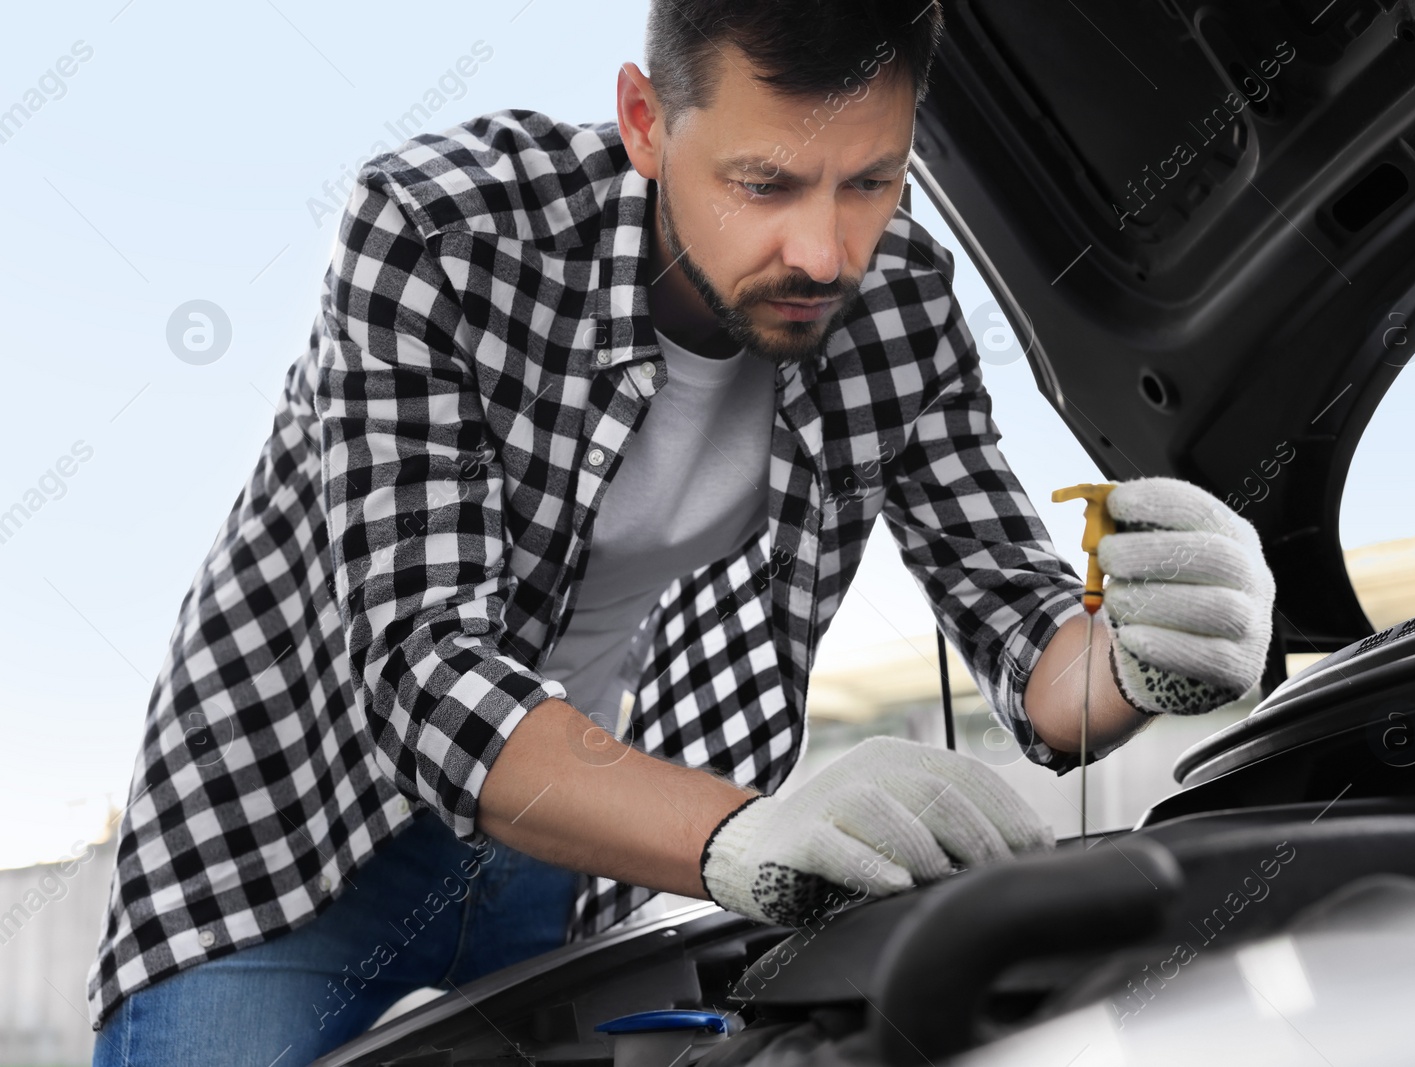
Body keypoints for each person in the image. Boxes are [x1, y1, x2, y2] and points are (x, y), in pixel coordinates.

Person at [87, 1, 1277, 1062]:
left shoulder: (899, 305)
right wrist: (747, 831)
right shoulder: (440, 231)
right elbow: (420, 674)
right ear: (645, 122)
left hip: (585, 841)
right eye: (766, 183)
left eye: (872, 180)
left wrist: (1146, 649)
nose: (826, 253)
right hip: (283, 829)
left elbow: (1030, 642)